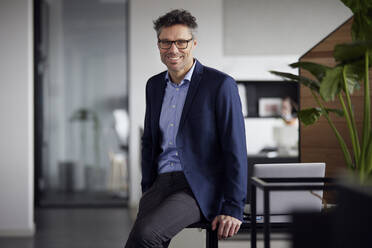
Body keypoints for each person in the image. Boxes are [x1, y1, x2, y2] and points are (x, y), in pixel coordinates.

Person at [124, 9, 247, 248]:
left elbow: (235, 148)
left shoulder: (220, 85)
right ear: (158, 44)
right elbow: (149, 139)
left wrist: (234, 206)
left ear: (193, 43)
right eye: (166, 42)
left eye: (181, 41)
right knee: (136, 243)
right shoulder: (154, 85)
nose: (173, 49)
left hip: (197, 187)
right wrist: (147, 185)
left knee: (147, 235)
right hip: (160, 183)